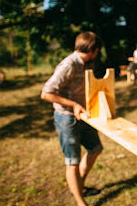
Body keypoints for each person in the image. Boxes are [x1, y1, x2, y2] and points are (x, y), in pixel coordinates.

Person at [41, 32, 103, 206]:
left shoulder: (86, 63)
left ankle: (79, 184)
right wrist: (73, 105)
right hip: (67, 119)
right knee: (72, 161)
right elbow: (46, 93)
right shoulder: (69, 64)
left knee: (95, 148)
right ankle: (80, 201)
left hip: (83, 116)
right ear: (94, 49)